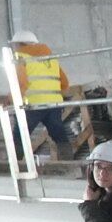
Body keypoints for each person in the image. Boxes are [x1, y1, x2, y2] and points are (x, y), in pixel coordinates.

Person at [10, 30, 74, 161]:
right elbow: (65, 83)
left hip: (33, 104)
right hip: (54, 104)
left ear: (20, 44)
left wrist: (10, 100)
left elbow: (21, 83)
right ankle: (69, 164)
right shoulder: (51, 59)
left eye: (14, 45)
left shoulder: (20, 56)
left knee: (19, 136)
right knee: (59, 135)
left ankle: (16, 167)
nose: (13, 48)